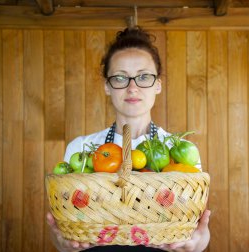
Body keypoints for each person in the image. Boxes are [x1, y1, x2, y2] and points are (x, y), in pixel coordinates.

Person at [47, 26, 211, 252]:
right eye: (120, 77)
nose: (132, 87)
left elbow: (197, 229)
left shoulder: (180, 149)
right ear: (107, 86)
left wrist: (196, 244)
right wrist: (64, 243)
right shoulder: (82, 149)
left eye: (143, 77)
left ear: (158, 84)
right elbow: (64, 228)